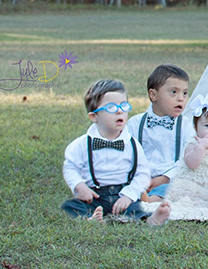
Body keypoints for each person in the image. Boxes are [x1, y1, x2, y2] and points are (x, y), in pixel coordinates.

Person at [62, 79, 170, 225]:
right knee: (69, 206)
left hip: (122, 193)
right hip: (94, 195)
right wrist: (79, 186)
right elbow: (70, 167)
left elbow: (143, 173)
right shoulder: (82, 144)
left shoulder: (132, 144)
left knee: (138, 207)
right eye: (111, 107)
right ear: (94, 116)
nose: (120, 111)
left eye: (123, 106)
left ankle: (151, 219)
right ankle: (91, 218)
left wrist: (129, 195)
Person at [127, 64, 195, 201]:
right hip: (139, 177)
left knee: (177, 189)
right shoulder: (135, 123)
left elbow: (185, 160)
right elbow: (127, 153)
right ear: (153, 95)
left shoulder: (186, 127)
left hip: (168, 180)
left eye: (185, 93)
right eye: (174, 92)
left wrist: (164, 178)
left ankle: (149, 200)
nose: (181, 98)